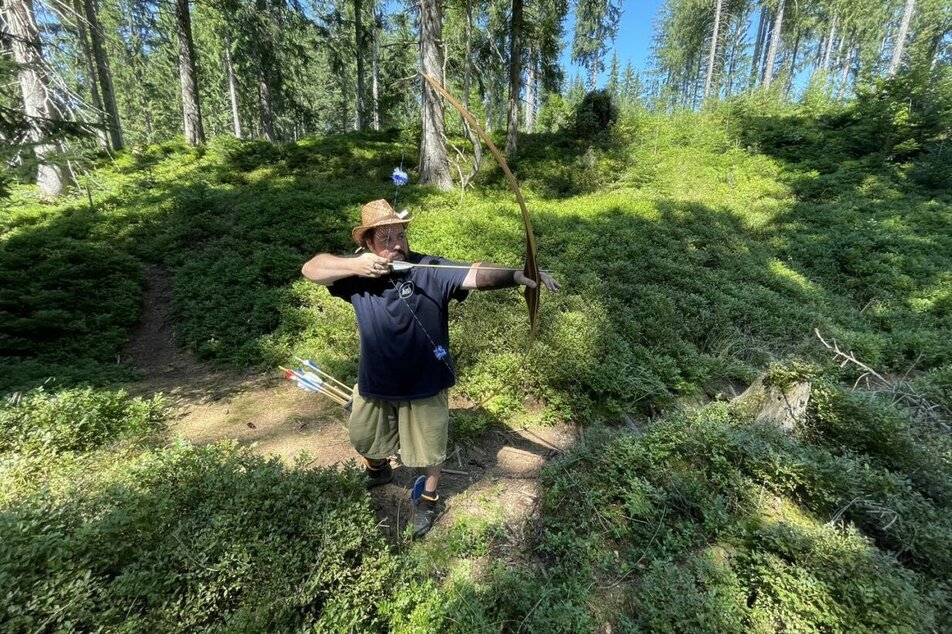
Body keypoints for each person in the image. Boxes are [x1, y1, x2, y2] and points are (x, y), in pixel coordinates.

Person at [302, 199, 559, 537]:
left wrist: (516, 275)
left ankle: (428, 497)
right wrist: (357, 267)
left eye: (400, 235)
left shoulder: (429, 268)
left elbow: (472, 274)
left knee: (429, 449)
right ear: (366, 244)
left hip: (425, 380)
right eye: (385, 239)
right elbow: (312, 268)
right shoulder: (356, 276)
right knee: (364, 438)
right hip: (375, 380)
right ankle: (378, 470)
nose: (396, 244)